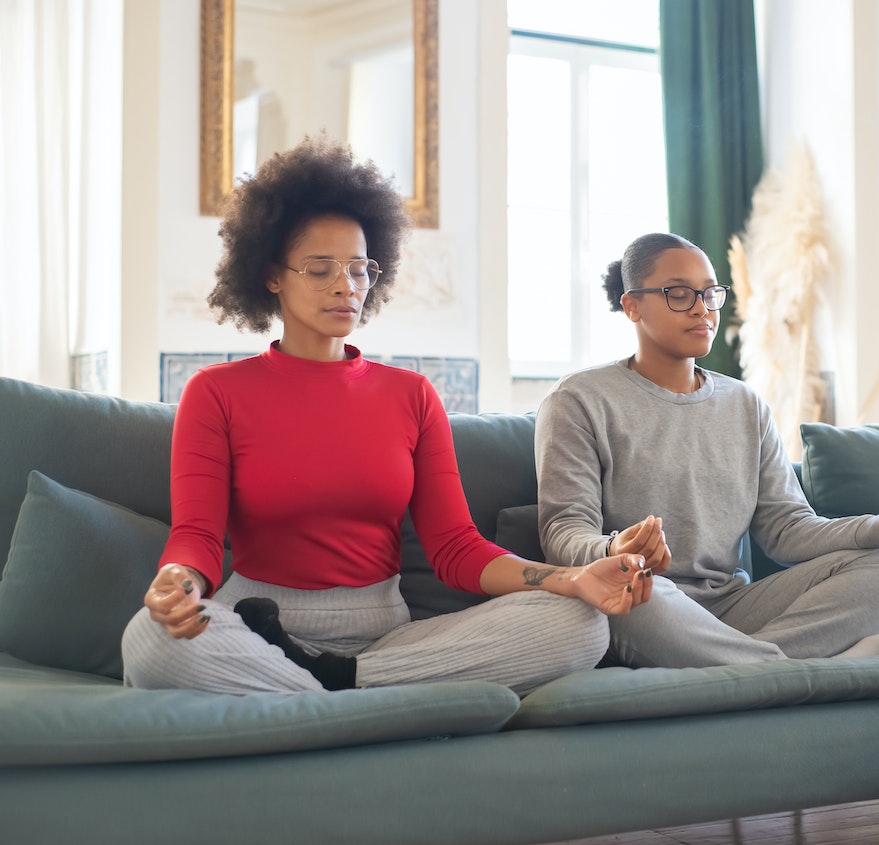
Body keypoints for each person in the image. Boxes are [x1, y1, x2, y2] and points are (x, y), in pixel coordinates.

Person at [121, 137, 651, 696]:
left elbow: (457, 550)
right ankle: (363, 701)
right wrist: (176, 582)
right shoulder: (216, 392)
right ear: (271, 275)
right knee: (149, 641)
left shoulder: (412, 395)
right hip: (257, 626)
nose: (345, 286)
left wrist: (572, 579)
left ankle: (333, 687)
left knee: (580, 624)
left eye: (358, 269)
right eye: (320, 269)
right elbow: (197, 536)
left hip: (385, 637)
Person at [535, 232, 879, 668]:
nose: (701, 308)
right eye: (678, 294)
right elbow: (563, 533)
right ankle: (805, 663)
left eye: (710, 293)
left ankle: (750, 664)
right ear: (632, 305)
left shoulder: (746, 405)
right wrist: (614, 550)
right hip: (648, 600)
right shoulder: (577, 400)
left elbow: (787, 530)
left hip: (732, 606)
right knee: (629, 589)